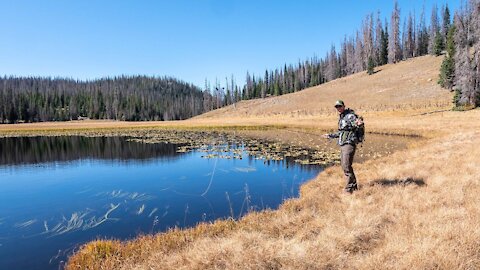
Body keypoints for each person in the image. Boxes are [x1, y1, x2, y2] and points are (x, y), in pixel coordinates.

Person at [323, 100, 363, 193]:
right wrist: (329, 135)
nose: (338, 108)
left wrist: (359, 124)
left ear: (344, 106)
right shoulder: (342, 117)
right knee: (345, 166)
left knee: (346, 165)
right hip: (343, 144)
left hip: (349, 143)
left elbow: (357, 124)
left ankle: (349, 189)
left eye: (340, 106)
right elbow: (341, 132)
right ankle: (353, 186)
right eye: (337, 107)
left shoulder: (350, 116)